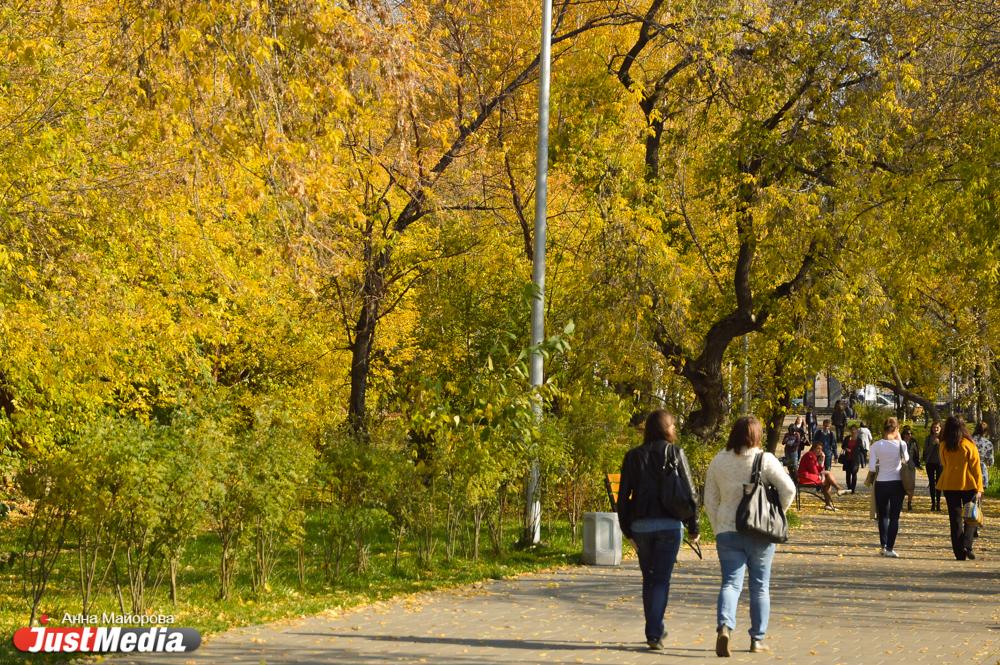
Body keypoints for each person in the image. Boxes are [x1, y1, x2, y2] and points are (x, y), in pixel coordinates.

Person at [704, 416, 795, 657]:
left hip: (727, 531)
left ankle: (724, 627)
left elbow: (709, 501)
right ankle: (757, 639)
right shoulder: (764, 460)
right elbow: (789, 489)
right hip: (759, 532)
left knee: (730, 583)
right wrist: (776, 514)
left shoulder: (718, 461)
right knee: (760, 587)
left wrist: (718, 526)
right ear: (757, 435)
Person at [617, 410, 700, 650]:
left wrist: (627, 531)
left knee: (649, 579)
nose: (674, 430)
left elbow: (622, 498)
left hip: (641, 526)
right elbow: (690, 493)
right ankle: (654, 632)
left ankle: (654, 629)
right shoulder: (675, 453)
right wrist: (693, 527)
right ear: (666, 428)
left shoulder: (633, 456)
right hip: (669, 525)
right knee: (661, 580)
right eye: (673, 426)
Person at [937, 416, 984, 560]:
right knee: (970, 517)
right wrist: (980, 488)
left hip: (950, 485)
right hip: (969, 484)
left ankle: (959, 553)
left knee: (955, 519)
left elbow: (944, 464)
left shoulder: (944, 445)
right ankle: (967, 544)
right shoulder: (969, 444)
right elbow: (976, 468)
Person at [868, 417, 908, 557]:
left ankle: (883, 545)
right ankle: (890, 547)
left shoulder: (876, 446)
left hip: (881, 483)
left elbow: (872, 467)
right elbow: (906, 460)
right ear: (896, 429)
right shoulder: (901, 445)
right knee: (895, 517)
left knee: (883, 516)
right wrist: (899, 439)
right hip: (897, 483)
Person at [798, 441, 847, 510]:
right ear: (813, 448)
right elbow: (815, 471)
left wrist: (823, 459)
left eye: (821, 449)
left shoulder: (813, 456)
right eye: (818, 449)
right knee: (827, 477)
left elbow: (819, 469)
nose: (820, 451)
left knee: (827, 477)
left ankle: (830, 503)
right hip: (805, 478)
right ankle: (836, 492)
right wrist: (822, 475)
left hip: (808, 476)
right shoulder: (810, 456)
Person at [924, 421, 943, 511]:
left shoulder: (943, 438)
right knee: (931, 483)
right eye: (934, 428)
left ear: (940, 429)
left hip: (940, 463)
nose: (935, 429)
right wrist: (933, 444)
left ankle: (938, 502)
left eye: (937, 428)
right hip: (930, 462)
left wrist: (939, 443)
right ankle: (933, 503)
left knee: (939, 483)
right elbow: (926, 451)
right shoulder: (928, 438)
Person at [901, 427, 920, 511]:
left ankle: (909, 503)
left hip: (911, 465)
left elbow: (916, 454)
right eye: (907, 434)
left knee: (911, 485)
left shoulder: (913, 442)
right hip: (901, 466)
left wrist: (918, 464)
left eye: (910, 433)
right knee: (901, 485)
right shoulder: (900, 443)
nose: (909, 435)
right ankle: (900, 502)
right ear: (904, 435)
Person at [971, 421, 994, 488]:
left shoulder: (968, 441)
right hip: (982, 471)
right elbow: (991, 461)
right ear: (985, 432)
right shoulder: (988, 443)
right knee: (980, 493)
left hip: (969, 470)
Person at [842, 426, 863, 493]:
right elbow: (843, 446)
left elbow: (861, 449)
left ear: (857, 431)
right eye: (852, 430)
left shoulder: (859, 440)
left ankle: (853, 489)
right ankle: (849, 487)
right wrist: (846, 448)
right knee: (848, 474)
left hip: (855, 459)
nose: (853, 431)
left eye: (854, 430)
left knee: (854, 473)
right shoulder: (847, 438)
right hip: (847, 459)